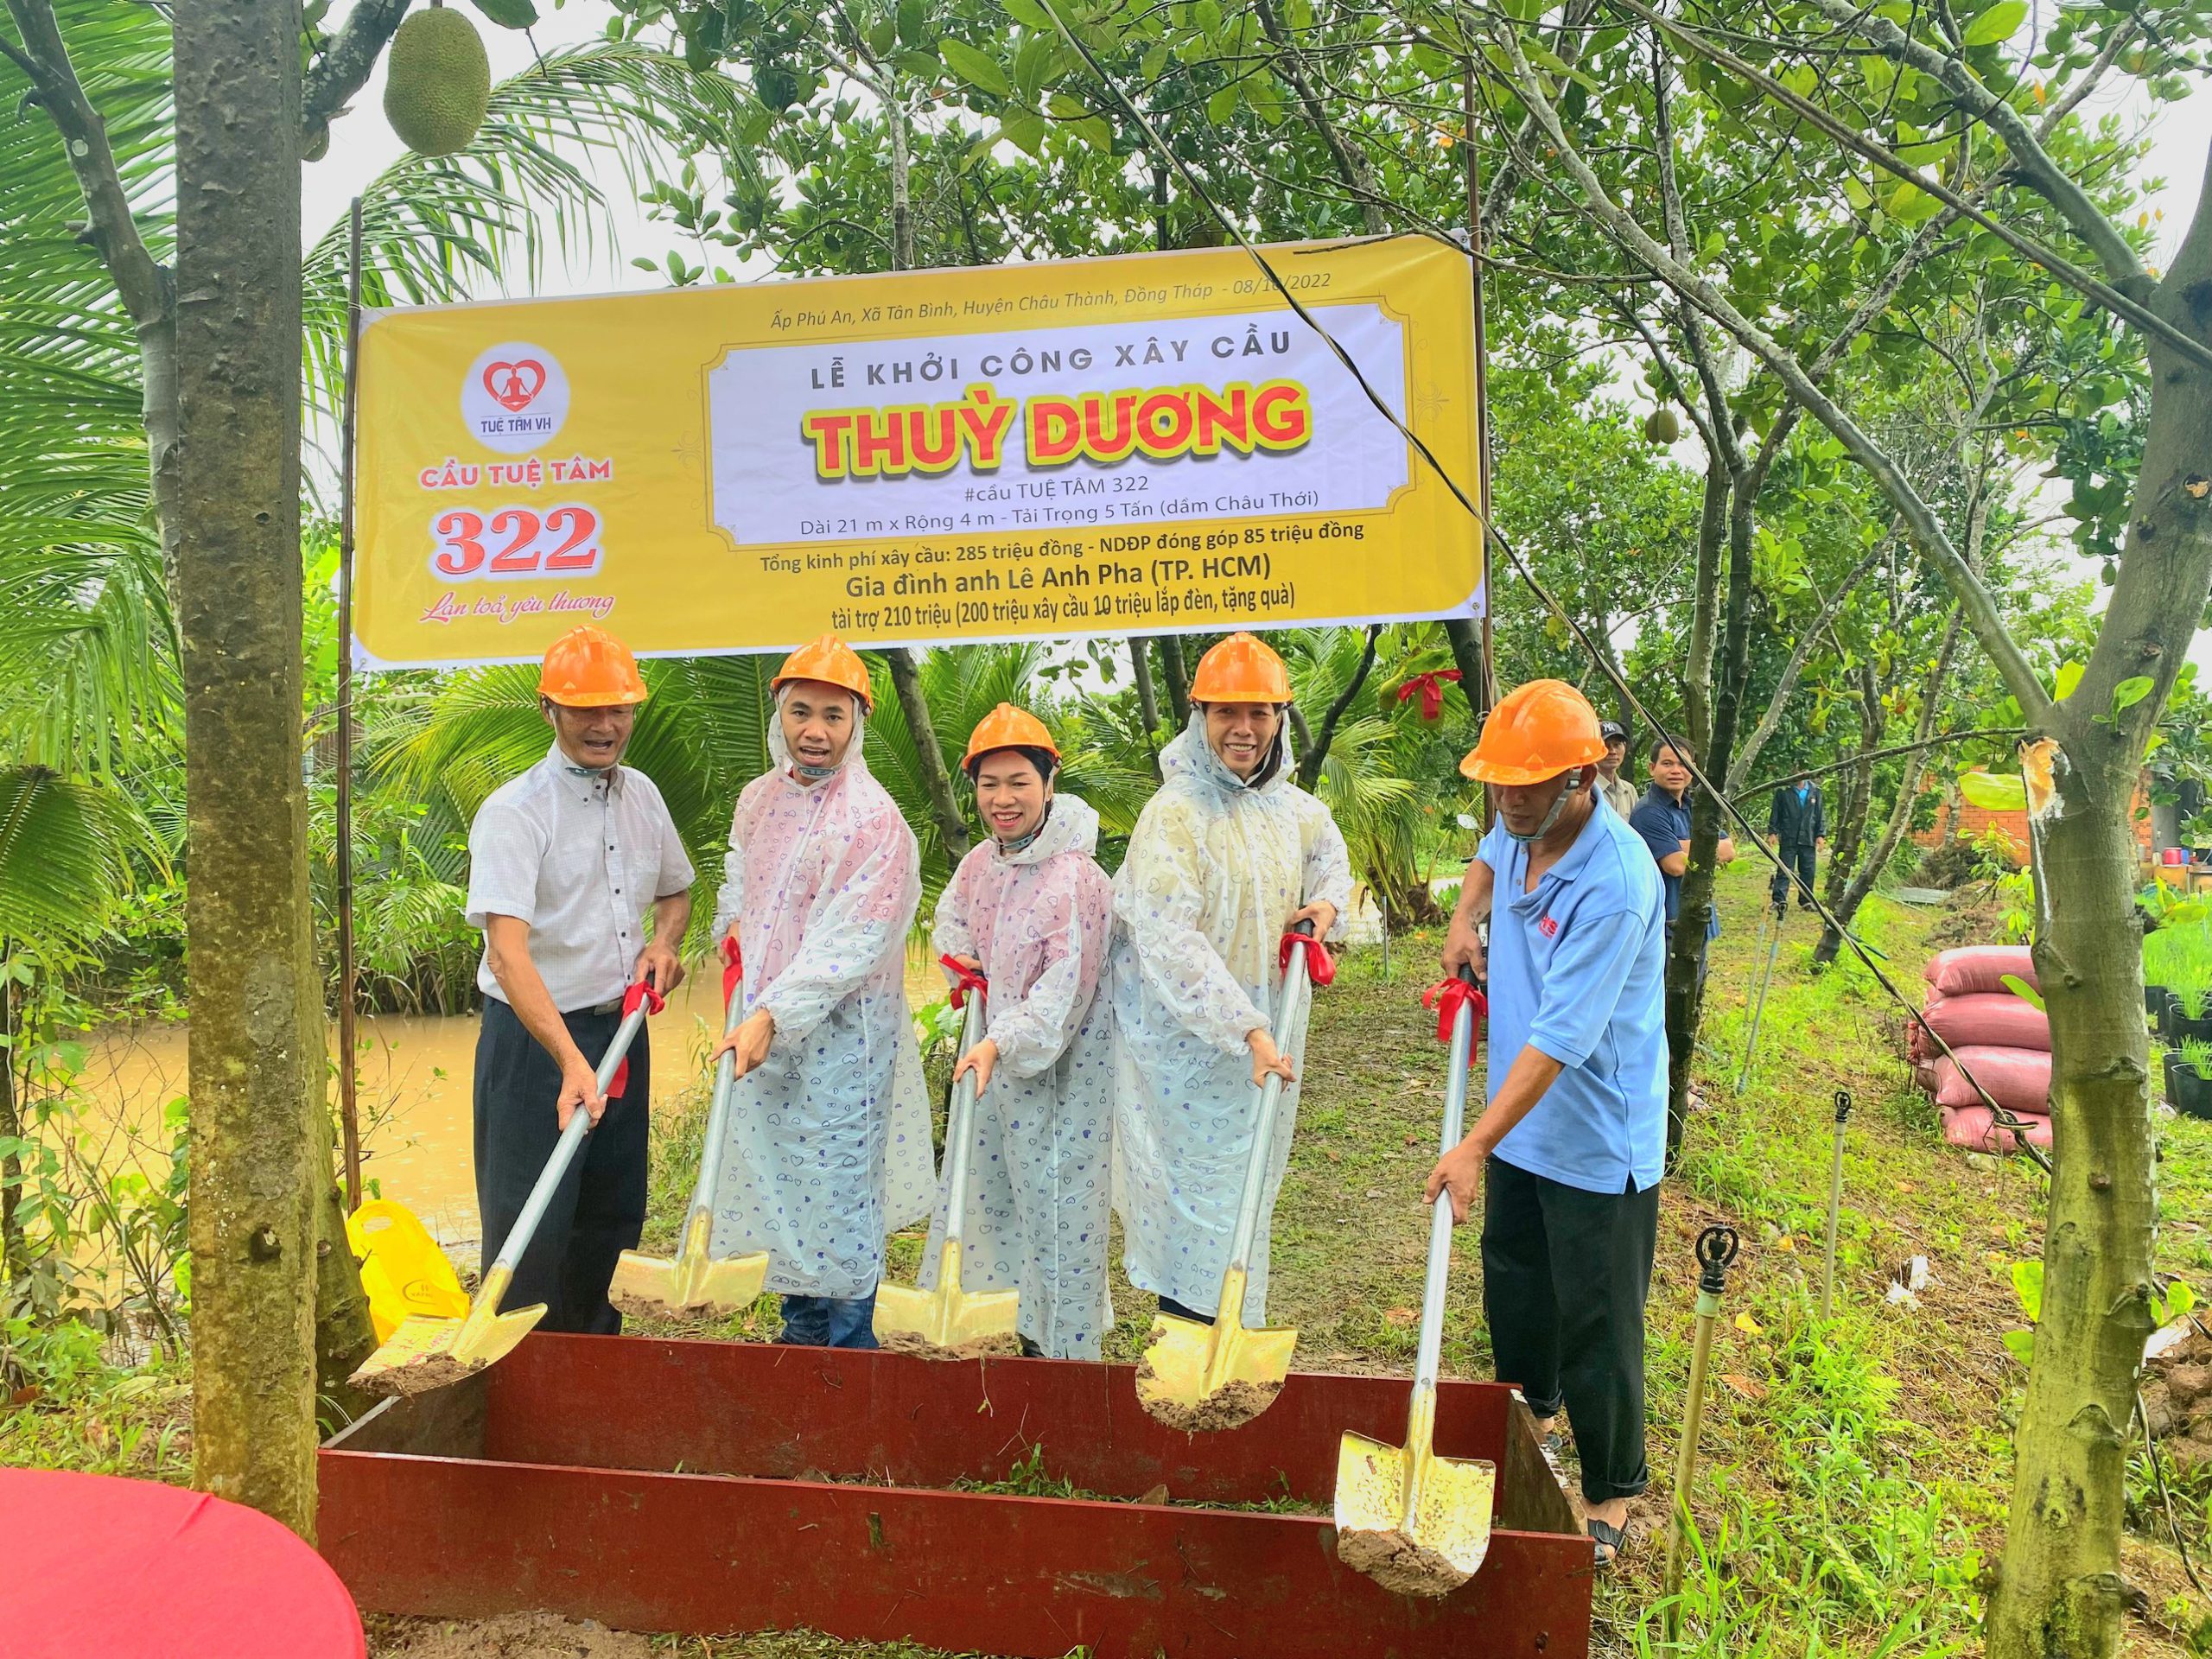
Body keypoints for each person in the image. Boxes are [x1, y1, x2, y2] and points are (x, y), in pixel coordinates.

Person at [1427, 677, 1667, 1568]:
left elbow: (1562, 1039)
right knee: (1517, 1282)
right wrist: (1464, 917)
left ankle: (1611, 1489)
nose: (1509, 801)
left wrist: (1471, 1145)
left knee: (1598, 1319)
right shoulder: (1518, 823)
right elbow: (1490, 853)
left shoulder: (1616, 882)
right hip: (1519, 1120)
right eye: (1498, 784)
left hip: (1596, 1134)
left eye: (1529, 786)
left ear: (1583, 778)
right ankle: (1533, 1412)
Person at [1110, 631, 1353, 1329]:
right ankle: (1187, 1337)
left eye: (1259, 713)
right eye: (1226, 713)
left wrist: (1325, 907)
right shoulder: (1174, 814)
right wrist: (1242, 1026)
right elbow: (1169, 939)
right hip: (1186, 1050)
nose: (1243, 729)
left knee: (1247, 1188)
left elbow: (1331, 863)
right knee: (1192, 1198)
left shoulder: (1293, 810)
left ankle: (1231, 1334)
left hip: (1266, 1041)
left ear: (1279, 719)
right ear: (1200, 718)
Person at [706, 634, 935, 1348]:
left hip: (843, 1041)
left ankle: (850, 1346)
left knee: (838, 1187)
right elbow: (741, 874)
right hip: (764, 1026)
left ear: (856, 724)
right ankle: (800, 1335)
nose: (815, 730)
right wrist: (733, 925)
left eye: (833, 716)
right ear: (779, 714)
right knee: (781, 1179)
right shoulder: (759, 799)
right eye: (801, 711)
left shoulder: (874, 821)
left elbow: (852, 943)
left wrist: (775, 1012)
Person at [463, 625, 695, 1333]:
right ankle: (525, 1372)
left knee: (610, 1217)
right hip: (535, 1047)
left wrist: (663, 943)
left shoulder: (643, 795)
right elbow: (507, 954)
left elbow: (676, 892)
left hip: (621, 1032)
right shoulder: (514, 812)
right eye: (586, 710)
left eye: (618, 709)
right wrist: (568, 1060)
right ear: (549, 710)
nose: (605, 725)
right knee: (530, 1225)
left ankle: (594, 1362)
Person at [926, 704, 1116, 1359]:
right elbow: (949, 921)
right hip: (996, 1068)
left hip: (1064, 1080)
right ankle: (1012, 1337)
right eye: (989, 784)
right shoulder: (982, 863)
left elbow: (1063, 995)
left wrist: (999, 1041)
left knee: (1061, 1215)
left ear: (1049, 782)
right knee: (999, 1203)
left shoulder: (1077, 879)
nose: (1002, 799)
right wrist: (962, 960)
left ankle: (1065, 1364)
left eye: (1018, 782)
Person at [1629, 737, 1736, 963]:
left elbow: (1729, 850)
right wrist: (1699, 846)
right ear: (1652, 768)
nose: (1676, 771)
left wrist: (1679, 844)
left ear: (1693, 768)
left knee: (1697, 981)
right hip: (1668, 922)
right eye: (1667, 763)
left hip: (1699, 914)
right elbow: (1676, 865)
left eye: (1683, 764)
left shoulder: (1696, 807)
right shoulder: (1648, 811)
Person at [1767, 774, 1825, 912]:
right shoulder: (1783, 791)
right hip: (1789, 836)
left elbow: (1820, 814)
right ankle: (1778, 900)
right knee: (1784, 869)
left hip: (1808, 836)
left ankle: (1807, 901)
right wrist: (1772, 832)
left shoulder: (1815, 791)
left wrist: (1820, 835)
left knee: (1808, 871)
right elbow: (1776, 812)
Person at [1596, 720, 1637, 820]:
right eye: (1605, 745)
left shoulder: (1629, 790)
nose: (1612, 751)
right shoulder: (1586, 790)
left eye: (1617, 745)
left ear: (1625, 748)